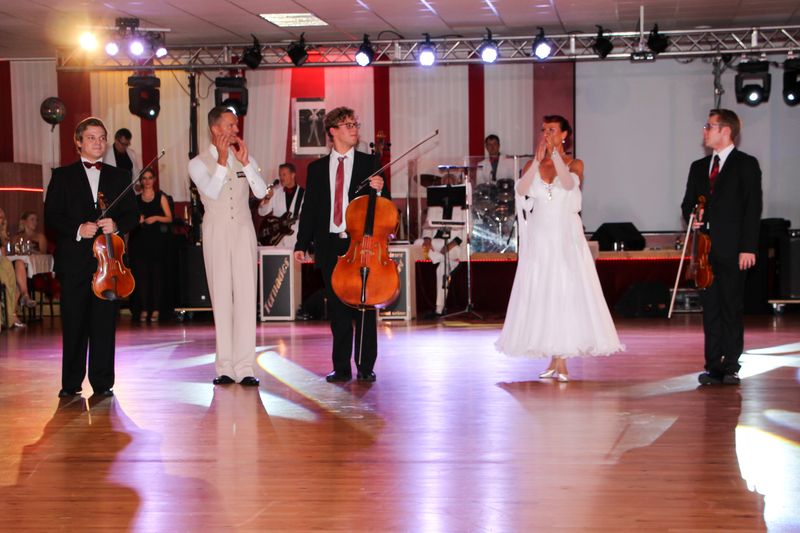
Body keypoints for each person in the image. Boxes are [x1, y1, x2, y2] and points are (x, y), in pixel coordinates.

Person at [495, 115, 623, 381]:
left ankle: (562, 359)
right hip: (541, 236)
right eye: (544, 130)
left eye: (552, 130)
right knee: (544, 293)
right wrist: (536, 161)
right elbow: (522, 189)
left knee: (564, 292)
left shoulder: (574, 164)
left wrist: (554, 155)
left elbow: (568, 184)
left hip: (565, 236)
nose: (546, 134)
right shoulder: (533, 164)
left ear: (564, 135)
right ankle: (554, 358)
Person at [44, 117, 138, 397]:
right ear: (78, 142)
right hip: (74, 263)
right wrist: (77, 229)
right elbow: (51, 217)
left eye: (102, 138)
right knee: (73, 324)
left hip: (108, 265)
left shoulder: (120, 176)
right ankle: (71, 383)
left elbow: (132, 215)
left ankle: (102, 382)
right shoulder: (62, 176)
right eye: (91, 138)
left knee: (104, 326)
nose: (98, 143)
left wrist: (116, 225)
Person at [293, 106, 388, 383]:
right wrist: (301, 243)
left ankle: (366, 366)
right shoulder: (317, 169)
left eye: (355, 124)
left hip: (361, 245)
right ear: (333, 131)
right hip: (329, 246)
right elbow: (309, 209)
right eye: (348, 125)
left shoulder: (370, 163)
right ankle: (341, 367)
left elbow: (384, 209)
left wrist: (380, 189)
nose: (354, 129)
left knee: (365, 307)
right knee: (338, 310)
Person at [680, 109, 762, 386]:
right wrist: (693, 216)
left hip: (734, 249)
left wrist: (748, 247)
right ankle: (713, 366)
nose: (704, 131)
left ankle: (731, 365)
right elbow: (688, 204)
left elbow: (753, 208)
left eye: (709, 126)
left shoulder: (746, 164)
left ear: (725, 130)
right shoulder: (698, 167)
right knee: (711, 309)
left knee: (731, 308)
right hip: (704, 251)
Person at [188, 106, 267, 387]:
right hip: (216, 231)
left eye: (236, 125)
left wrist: (246, 164)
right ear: (215, 128)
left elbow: (261, 192)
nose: (236, 129)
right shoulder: (197, 163)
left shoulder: (245, 157)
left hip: (244, 231)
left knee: (246, 295)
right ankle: (225, 367)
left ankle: (245, 367)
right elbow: (210, 192)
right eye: (230, 125)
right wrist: (222, 162)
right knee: (221, 296)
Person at [413, 173, 467, 316]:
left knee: (441, 270)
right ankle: (440, 258)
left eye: (451, 182)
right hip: (438, 244)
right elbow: (427, 227)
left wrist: (450, 245)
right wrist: (427, 239)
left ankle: (439, 308)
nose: (447, 185)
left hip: (454, 247)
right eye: (445, 182)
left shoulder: (462, 205)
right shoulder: (435, 204)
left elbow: (467, 231)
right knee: (417, 243)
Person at [129, 167, 173, 323]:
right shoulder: (136, 199)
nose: (147, 181)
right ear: (141, 181)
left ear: (154, 180)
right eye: (144, 178)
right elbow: (130, 220)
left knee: (157, 277)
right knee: (141, 277)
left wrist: (155, 218)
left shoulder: (161, 197)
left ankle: (155, 310)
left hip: (157, 242)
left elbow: (169, 218)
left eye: (150, 178)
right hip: (140, 241)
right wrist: (138, 219)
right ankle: (144, 309)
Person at [257, 163, 305, 250]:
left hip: (295, 240)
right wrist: (267, 198)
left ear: (293, 175)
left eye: (284, 174)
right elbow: (261, 212)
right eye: (280, 175)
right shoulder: (275, 192)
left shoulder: (304, 194)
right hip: (277, 241)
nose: (281, 178)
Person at [9, 211, 48, 309]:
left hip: (34, 271)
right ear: (24, 221)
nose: (35, 222)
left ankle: (17, 306)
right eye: (32, 219)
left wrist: (32, 250)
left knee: (17, 274)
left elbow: (43, 255)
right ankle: (24, 297)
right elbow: (12, 253)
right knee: (18, 264)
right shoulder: (16, 238)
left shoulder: (40, 237)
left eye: (36, 220)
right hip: (16, 268)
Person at [0, 208, 24, 328]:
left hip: (3, 266)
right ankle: (10, 316)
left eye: (2, 217)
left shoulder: (2, 235)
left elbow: (3, 256)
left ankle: (9, 315)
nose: (1, 219)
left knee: (9, 267)